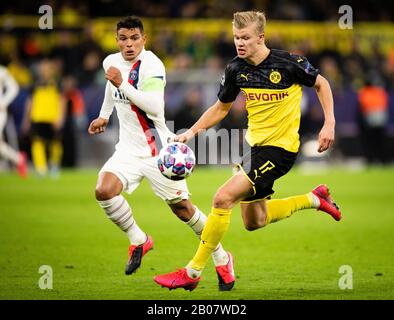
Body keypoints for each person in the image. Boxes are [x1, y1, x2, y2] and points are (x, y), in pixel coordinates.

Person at [154, 11, 341, 291]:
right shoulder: (235, 69)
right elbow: (221, 108)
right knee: (255, 221)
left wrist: (329, 123)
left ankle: (192, 273)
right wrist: (191, 132)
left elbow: (321, 83)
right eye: (236, 37)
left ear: (260, 38)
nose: (239, 43)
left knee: (222, 198)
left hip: (280, 151)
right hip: (252, 148)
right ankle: (314, 199)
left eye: (245, 38)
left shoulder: (289, 63)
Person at [87, 16, 235, 291]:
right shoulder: (111, 63)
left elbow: (154, 107)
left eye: (134, 38)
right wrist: (104, 115)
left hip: (159, 150)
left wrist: (123, 84)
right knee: (104, 190)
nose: (129, 44)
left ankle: (222, 257)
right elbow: (111, 88)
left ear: (144, 39)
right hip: (128, 150)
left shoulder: (152, 65)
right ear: (116, 39)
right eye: (123, 38)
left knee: (183, 210)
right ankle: (139, 239)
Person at [22, 59, 65, 177]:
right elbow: (30, 102)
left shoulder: (57, 83)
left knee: (55, 143)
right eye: (42, 68)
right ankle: (41, 168)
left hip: (52, 118)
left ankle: (54, 165)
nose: (45, 71)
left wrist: (60, 117)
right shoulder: (34, 84)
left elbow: (62, 101)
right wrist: (26, 119)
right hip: (37, 117)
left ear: (51, 70)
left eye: (47, 68)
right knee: (37, 142)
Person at [0, 65, 28, 177]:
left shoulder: (2, 71)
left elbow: (14, 87)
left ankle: (18, 159)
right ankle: (19, 159)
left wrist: (4, 102)